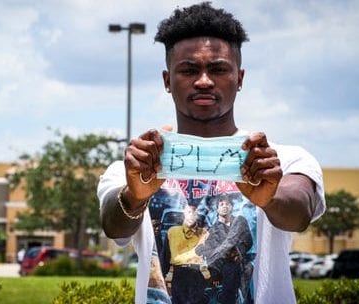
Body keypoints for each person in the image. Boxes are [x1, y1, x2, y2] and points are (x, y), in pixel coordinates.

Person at [97, 2, 325, 303]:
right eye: (189, 70)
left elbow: (300, 212)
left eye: (218, 69)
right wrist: (135, 196)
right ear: (167, 81)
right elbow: (114, 226)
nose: (204, 81)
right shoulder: (140, 165)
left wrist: (270, 197)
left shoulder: (276, 159)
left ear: (239, 78)